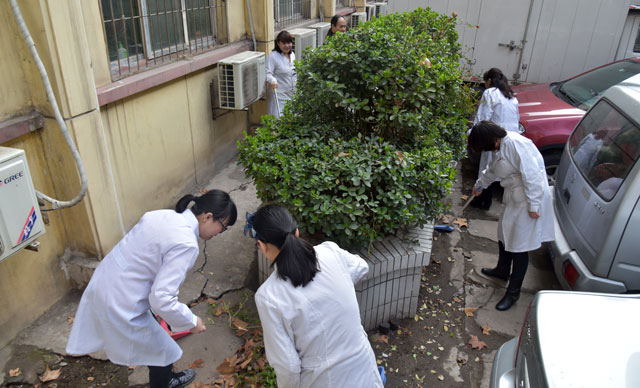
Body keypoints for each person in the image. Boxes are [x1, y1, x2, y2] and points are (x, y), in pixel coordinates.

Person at [66, 190, 237, 388]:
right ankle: (164, 384)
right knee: (163, 351)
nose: (219, 233)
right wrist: (191, 321)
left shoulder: (160, 215)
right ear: (208, 217)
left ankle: (166, 380)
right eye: (223, 227)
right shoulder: (186, 244)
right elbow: (162, 298)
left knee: (156, 344)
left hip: (106, 283)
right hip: (122, 300)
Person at [246, 204, 384, 388]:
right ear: (297, 232)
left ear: (262, 246)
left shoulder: (269, 296)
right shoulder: (330, 251)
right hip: (364, 369)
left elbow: (288, 366)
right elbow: (362, 268)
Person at [469, 121, 554, 311]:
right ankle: (502, 271)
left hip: (529, 199)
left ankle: (513, 293)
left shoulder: (516, 144)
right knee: (504, 234)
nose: (487, 151)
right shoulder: (499, 146)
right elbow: (493, 170)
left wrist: (533, 204)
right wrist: (480, 184)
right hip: (514, 198)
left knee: (519, 245)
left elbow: (532, 176)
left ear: (491, 139)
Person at [471, 68, 520, 209]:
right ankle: (486, 202)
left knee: (489, 168)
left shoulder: (490, 93)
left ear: (489, 81)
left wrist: (473, 134)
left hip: (493, 137)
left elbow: (482, 118)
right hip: (511, 138)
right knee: (498, 168)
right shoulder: (511, 96)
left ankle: (481, 201)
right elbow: (516, 119)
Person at [266, 31, 296, 117]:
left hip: (292, 94)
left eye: (289, 42)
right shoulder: (273, 57)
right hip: (279, 96)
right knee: (278, 122)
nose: (287, 45)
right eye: (284, 43)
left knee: (292, 121)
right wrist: (272, 80)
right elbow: (267, 73)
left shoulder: (292, 55)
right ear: (278, 43)